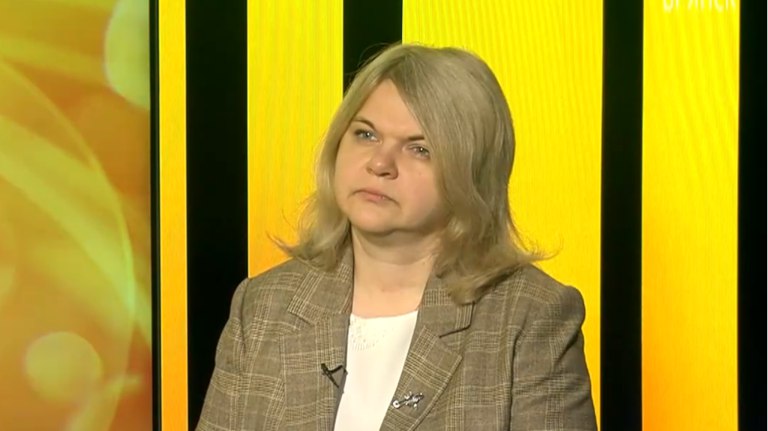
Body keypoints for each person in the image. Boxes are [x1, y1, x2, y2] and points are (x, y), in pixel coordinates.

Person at [196, 43, 596, 431]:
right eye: (366, 135)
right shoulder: (263, 306)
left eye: (419, 149)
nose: (380, 163)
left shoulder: (530, 319)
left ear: (470, 173)